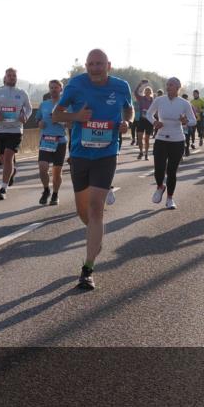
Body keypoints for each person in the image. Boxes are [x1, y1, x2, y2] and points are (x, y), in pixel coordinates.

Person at [52, 49, 132, 290]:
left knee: (96, 208)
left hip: (107, 153)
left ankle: (87, 268)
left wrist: (128, 121)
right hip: (80, 154)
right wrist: (77, 116)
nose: (95, 68)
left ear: (108, 65)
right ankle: (95, 236)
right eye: (91, 64)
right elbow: (56, 115)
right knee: (84, 212)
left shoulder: (121, 86)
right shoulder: (76, 85)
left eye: (99, 64)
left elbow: (129, 109)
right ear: (86, 66)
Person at [146, 78, 196, 209]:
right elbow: (148, 114)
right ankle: (160, 186)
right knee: (159, 169)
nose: (168, 87)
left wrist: (186, 121)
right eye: (167, 85)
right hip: (161, 138)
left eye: (171, 85)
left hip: (177, 140)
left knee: (172, 171)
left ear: (178, 87)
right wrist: (155, 122)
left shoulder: (184, 103)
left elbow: (193, 121)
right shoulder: (159, 100)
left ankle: (170, 199)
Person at [0, 68, 33, 199]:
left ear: (16, 78)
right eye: (9, 75)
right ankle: (12, 170)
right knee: (3, 160)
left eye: (14, 76)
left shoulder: (22, 93)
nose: (12, 77)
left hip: (16, 130)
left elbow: (29, 108)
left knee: (7, 158)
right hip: (0, 130)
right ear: (5, 78)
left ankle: (3, 189)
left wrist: (26, 117)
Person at [33, 79, 68, 206]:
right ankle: (46, 190)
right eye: (51, 87)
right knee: (42, 168)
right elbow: (37, 119)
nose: (53, 89)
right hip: (46, 140)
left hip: (60, 141)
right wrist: (39, 123)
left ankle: (55, 194)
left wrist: (60, 121)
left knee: (57, 172)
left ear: (61, 89)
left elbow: (71, 123)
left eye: (56, 87)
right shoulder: (44, 104)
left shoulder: (66, 105)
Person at [134, 83, 154, 159]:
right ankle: (141, 152)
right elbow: (135, 92)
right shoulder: (141, 98)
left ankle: (146, 154)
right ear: (144, 92)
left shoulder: (153, 101)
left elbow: (157, 109)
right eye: (146, 91)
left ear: (151, 92)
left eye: (149, 91)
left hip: (149, 121)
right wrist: (140, 84)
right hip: (141, 120)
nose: (147, 92)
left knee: (147, 139)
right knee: (139, 138)